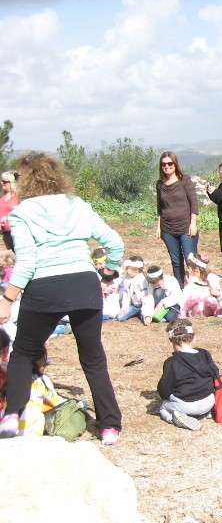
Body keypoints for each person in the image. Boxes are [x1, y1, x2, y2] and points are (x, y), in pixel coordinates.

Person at [0, 152, 123, 444]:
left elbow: (27, 260)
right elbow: (114, 242)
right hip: (84, 284)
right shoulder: (77, 205)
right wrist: (109, 272)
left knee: (23, 353)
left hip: (45, 287)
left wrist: (8, 298)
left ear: (26, 180)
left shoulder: (22, 212)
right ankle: (109, 426)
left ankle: (12, 417)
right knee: (93, 357)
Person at [156, 320, 218, 431]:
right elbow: (215, 374)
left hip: (188, 405)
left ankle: (175, 418)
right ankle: (206, 413)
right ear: (194, 338)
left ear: (171, 342)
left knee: (163, 407)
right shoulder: (205, 354)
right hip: (209, 400)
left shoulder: (172, 362)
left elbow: (164, 389)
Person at [156, 151, 198, 288]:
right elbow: (160, 207)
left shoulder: (184, 180)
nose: (167, 166)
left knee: (190, 260)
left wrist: (193, 224)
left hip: (185, 227)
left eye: (170, 163)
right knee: (176, 261)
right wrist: (158, 227)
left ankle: (194, 288)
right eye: (164, 164)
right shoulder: (160, 184)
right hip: (168, 229)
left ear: (175, 164)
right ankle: (180, 288)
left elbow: (194, 203)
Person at [181, 253, 222, 318]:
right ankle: (183, 313)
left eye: (189, 268)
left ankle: (216, 313)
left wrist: (218, 294)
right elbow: (185, 298)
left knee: (212, 300)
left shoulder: (211, 278)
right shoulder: (190, 279)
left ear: (196, 269)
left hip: (207, 308)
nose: (187, 270)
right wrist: (189, 285)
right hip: (195, 309)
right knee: (193, 298)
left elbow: (220, 296)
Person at [0, 170, 19, 251]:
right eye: (2, 181)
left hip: (16, 232)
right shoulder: (2, 197)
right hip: (5, 233)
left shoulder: (18, 197)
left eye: (5, 182)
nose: (2, 183)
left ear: (12, 182)